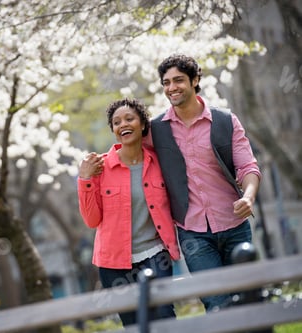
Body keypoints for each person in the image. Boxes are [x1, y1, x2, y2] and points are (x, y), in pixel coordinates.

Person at [149, 54, 261, 312]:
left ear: (195, 80)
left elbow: (248, 166)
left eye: (178, 80)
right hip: (193, 231)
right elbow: (129, 152)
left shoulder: (225, 121)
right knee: (216, 303)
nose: (171, 87)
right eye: (166, 82)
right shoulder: (156, 129)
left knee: (248, 299)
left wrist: (249, 196)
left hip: (234, 224)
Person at [77, 97, 181, 327]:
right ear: (114, 131)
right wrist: (85, 179)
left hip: (155, 253)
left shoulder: (158, 162)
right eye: (116, 122)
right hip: (113, 262)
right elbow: (91, 220)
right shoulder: (100, 168)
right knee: (133, 322)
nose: (123, 124)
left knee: (164, 312)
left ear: (142, 124)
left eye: (129, 118)